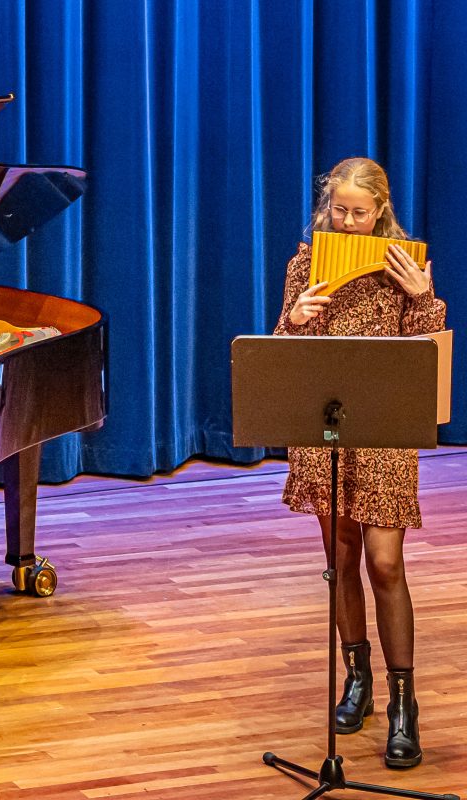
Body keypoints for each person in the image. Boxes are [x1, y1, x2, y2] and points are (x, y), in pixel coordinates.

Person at [274, 157, 446, 768]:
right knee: (341, 560)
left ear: (381, 214)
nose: (348, 224)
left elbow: (428, 353)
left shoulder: (407, 268)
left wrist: (424, 299)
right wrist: (293, 322)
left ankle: (405, 701)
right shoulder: (305, 263)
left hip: (385, 435)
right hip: (328, 436)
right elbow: (282, 355)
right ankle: (358, 679)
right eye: (339, 211)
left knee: (385, 563)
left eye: (360, 213)